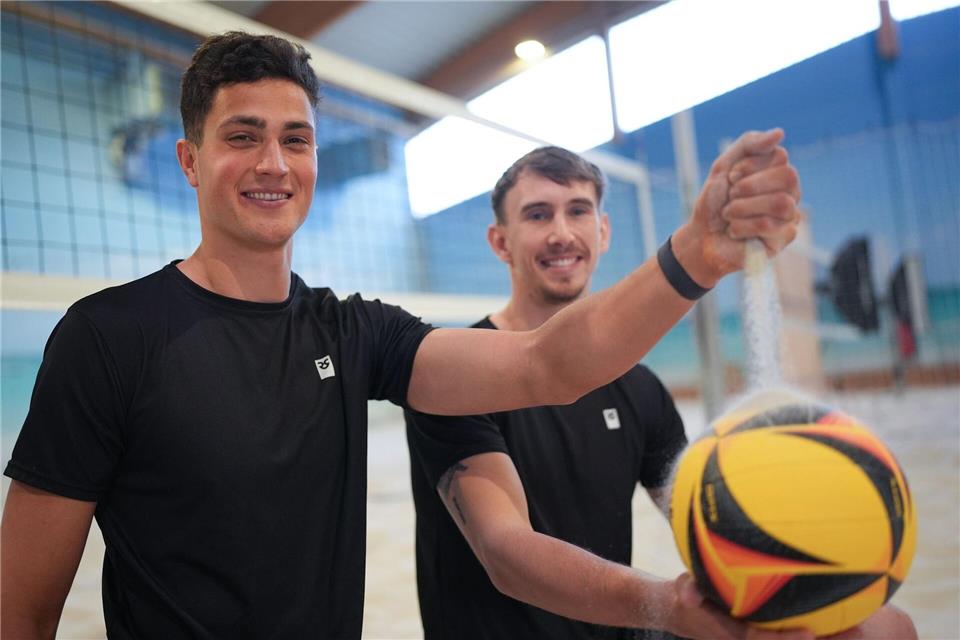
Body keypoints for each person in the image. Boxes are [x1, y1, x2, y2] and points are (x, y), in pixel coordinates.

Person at [1, 32, 804, 639]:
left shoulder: (356, 334)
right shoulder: (107, 338)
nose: (274, 162)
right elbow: (21, 609)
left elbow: (549, 363)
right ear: (189, 160)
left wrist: (696, 255)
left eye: (296, 139)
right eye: (242, 136)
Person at [404, 148, 918, 640]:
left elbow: (709, 515)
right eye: (538, 215)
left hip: (615, 630)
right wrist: (667, 605)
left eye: (578, 211)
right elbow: (505, 554)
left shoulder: (640, 388)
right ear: (500, 242)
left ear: (603, 231)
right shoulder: (456, 371)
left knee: (886, 628)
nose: (562, 233)